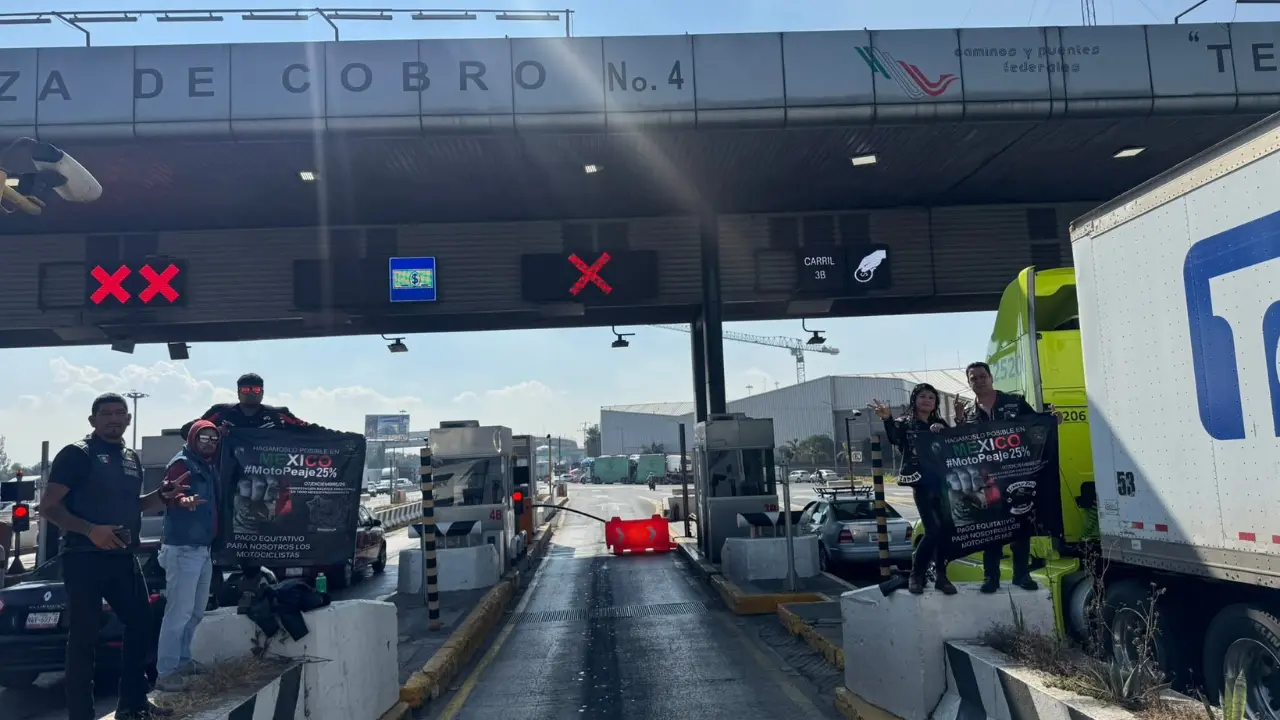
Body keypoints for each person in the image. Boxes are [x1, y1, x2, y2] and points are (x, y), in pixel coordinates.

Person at [38, 392, 192, 720]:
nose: (113, 418)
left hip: (122, 556)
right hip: (84, 557)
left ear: (128, 420)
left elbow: (131, 504)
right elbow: (49, 507)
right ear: (92, 420)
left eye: (119, 413)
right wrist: (90, 529)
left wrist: (160, 497)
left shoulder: (129, 457)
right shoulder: (77, 455)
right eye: (105, 413)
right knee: (84, 638)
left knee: (140, 623)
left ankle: (133, 705)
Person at [956, 361, 1062, 594]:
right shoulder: (970, 413)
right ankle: (990, 578)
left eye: (982, 376)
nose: (979, 381)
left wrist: (1053, 422)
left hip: (1016, 475)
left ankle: (1021, 575)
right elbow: (961, 443)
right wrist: (958, 422)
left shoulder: (1014, 402)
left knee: (1019, 525)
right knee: (991, 527)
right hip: (987, 481)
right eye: (973, 378)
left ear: (991, 377)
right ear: (969, 383)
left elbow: (1036, 427)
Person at [871, 384, 958, 596]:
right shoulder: (904, 423)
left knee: (946, 530)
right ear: (914, 400)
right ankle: (916, 574)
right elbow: (894, 438)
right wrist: (887, 418)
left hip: (943, 482)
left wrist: (953, 425)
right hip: (921, 482)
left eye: (931, 397)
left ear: (936, 403)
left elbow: (954, 444)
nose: (927, 400)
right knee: (932, 531)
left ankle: (941, 576)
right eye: (923, 397)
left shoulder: (939, 423)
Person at [154, 420, 218, 692]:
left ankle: (182, 661)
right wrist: (181, 501)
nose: (209, 443)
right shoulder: (181, 463)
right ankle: (166, 672)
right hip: (182, 550)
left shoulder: (205, 465)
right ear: (193, 438)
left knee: (195, 612)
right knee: (178, 613)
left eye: (213, 439)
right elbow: (168, 493)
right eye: (203, 438)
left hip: (202, 549)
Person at [181, 373, 320, 437]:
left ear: (262, 392)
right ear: (238, 392)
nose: (251, 393)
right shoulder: (220, 412)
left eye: (256, 389)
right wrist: (214, 432)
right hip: (225, 476)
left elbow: (311, 431)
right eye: (246, 390)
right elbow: (187, 430)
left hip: (270, 477)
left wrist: (340, 439)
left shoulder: (279, 415)